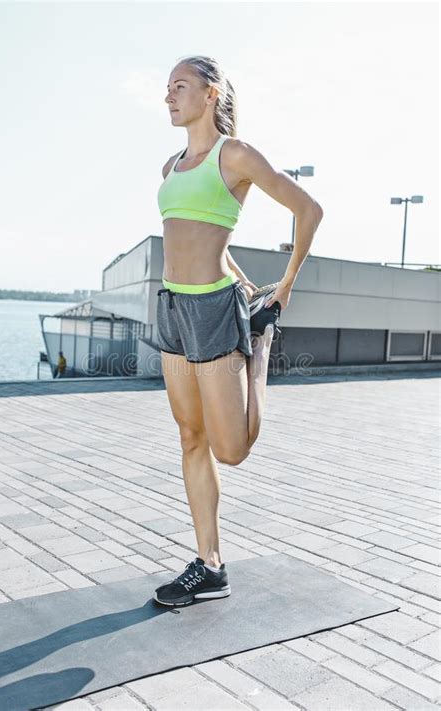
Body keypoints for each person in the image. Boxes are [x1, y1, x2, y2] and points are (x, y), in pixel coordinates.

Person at [153, 55, 323, 606]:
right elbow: (204, 240)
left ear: (211, 93)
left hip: (213, 312)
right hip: (173, 309)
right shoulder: (171, 166)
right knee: (190, 437)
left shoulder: (236, 155)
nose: (169, 96)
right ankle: (210, 563)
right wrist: (245, 278)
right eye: (166, 88)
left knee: (231, 450)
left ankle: (262, 346)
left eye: (180, 86)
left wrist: (286, 285)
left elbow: (309, 209)